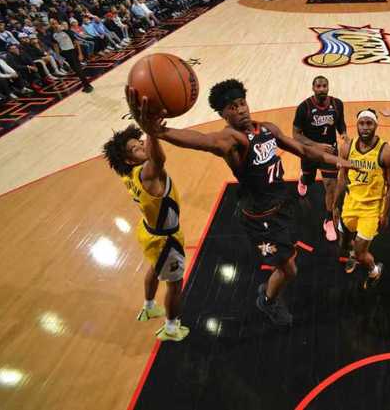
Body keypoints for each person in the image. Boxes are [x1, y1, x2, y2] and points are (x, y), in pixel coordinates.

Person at [127, 79, 354, 326]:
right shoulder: (231, 140)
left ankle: (272, 282)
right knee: (289, 269)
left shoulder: (267, 129)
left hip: (280, 205)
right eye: (232, 108)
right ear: (223, 115)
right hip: (261, 218)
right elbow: (203, 140)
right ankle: (267, 301)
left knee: (287, 261)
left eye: (242, 103)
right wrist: (160, 132)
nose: (241, 110)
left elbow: (303, 150)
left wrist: (337, 161)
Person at [102, 124, 189, 342]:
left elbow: (151, 157)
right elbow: (159, 159)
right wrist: (151, 130)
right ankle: (171, 327)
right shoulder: (147, 175)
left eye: (140, 143)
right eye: (135, 149)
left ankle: (149, 307)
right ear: (129, 160)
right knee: (175, 285)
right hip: (165, 240)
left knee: (154, 267)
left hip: (149, 232)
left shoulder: (128, 174)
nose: (142, 146)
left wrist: (147, 134)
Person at [333, 109, 390, 290]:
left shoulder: (387, 153)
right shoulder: (347, 148)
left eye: (369, 123)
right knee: (343, 244)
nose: (365, 127)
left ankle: (374, 271)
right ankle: (353, 254)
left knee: (362, 254)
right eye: (362, 123)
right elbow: (342, 178)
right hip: (350, 203)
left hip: (371, 209)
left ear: (376, 125)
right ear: (357, 125)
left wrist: (386, 214)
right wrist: (335, 206)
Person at [293, 75, 347, 241]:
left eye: (324, 86)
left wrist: (344, 134)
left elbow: (340, 123)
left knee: (331, 186)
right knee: (308, 180)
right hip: (310, 152)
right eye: (318, 86)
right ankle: (303, 179)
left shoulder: (337, 104)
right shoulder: (304, 107)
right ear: (313, 88)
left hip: (330, 152)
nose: (322, 89)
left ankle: (328, 220)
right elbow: (296, 135)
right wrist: (316, 145)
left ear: (328, 87)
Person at [51, 21, 93, 93]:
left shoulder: (67, 31)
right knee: (76, 70)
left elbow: (76, 42)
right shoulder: (54, 35)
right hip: (64, 53)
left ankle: (88, 86)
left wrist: (80, 54)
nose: (54, 25)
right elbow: (56, 46)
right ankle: (85, 85)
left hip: (72, 51)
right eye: (52, 24)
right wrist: (58, 57)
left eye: (55, 23)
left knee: (78, 69)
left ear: (58, 24)